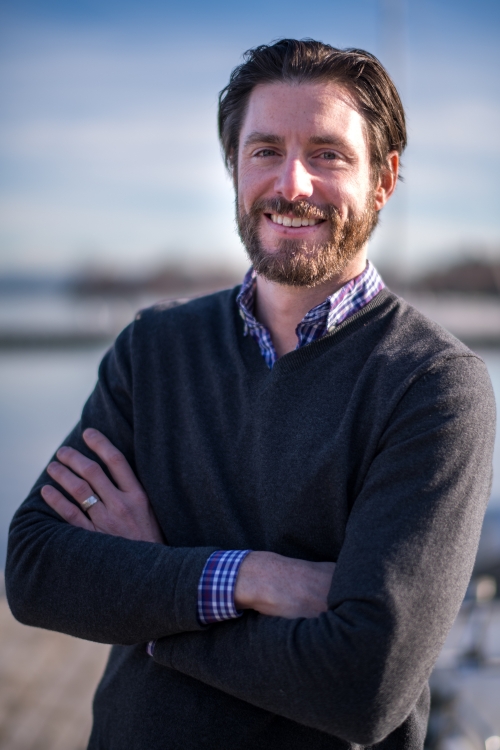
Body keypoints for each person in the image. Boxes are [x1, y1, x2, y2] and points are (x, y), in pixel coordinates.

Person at [6, 39, 496, 750]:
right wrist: (246, 577)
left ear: (385, 180)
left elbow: (365, 684)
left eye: (327, 153)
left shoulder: (433, 387)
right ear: (234, 168)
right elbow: (36, 570)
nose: (291, 183)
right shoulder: (152, 351)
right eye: (265, 150)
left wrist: (156, 603)